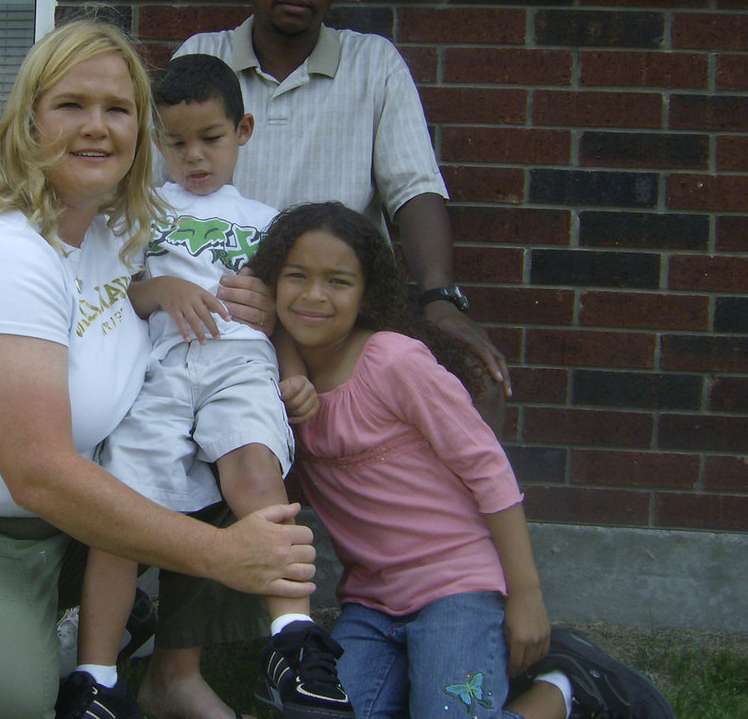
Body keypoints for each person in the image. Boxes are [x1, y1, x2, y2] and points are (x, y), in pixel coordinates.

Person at [0, 18, 318, 719]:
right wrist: (223, 558)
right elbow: (37, 471)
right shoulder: (3, 253)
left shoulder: (119, 230)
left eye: (117, 109)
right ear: (29, 122)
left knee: (233, 439)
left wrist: (264, 316)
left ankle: (167, 674)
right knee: (0, 699)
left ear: (138, 132)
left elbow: (208, 299)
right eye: (72, 106)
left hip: (63, 525)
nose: (97, 127)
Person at [247, 201, 675, 719]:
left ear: (367, 294)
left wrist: (526, 596)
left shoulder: (394, 362)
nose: (314, 295)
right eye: (297, 276)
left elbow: (488, 469)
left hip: (457, 589)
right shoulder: (272, 373)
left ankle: (565, 690)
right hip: (370, 602)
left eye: (338, 281)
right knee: (319, 712)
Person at [58, 54, 352, 719]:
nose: (194, 156)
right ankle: (96, 679)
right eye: (176, 140)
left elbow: (282, 317)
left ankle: (293, 642)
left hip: (241, 365)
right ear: (156, 138)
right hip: (160, 370)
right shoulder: (137, 211)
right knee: (122, 506)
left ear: (243, 130)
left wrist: (294, 369)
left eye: (210, 139)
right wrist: (158, 289)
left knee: (252, 473)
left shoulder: (270, 223)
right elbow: (110, 295)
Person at [174, 0, 512, 427]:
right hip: (231, 302)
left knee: (476, 378)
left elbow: (414, 188)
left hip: (340, 307)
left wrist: (440, 297)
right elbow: (153, 190)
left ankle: (442, 513)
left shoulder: (373, 63)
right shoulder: (204, 58)